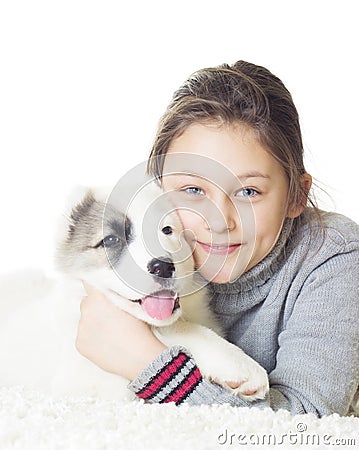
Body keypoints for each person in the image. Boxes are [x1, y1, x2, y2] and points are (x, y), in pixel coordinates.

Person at [76, 60, 359, 417]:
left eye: (249, 192)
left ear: (295, 197)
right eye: (193, 189)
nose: (220, 221)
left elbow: (309, 423)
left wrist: (144, 362)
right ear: (157, 190)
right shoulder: (130, 265)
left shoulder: (332, 258)